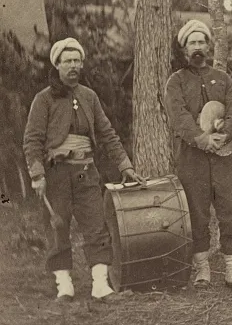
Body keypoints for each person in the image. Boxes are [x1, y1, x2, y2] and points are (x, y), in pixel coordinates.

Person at [23, 37, 143, 301]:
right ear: (57, 65)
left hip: (86, 172)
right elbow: (32, 139)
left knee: (96, 226)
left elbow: (107, 133)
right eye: (68, 61)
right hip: (56, 174)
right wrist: (37, 174)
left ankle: (100, 285)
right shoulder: (43, 100)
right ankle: (64, 286)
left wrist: (125, 165)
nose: (74, 66)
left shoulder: (89, 97)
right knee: (58, 227)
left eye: (77, 60)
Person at [165, 19, 232, 291]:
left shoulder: (223, 79)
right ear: (184, 48)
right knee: (196, 212)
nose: (198, 47)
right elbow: (178, 117)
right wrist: (202, 139)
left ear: (209, 46)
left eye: (202, 42)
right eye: (192, 43)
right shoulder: (176, 82)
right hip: (192, 159)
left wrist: (224, 133)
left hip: (224, 156)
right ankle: (202, 270)